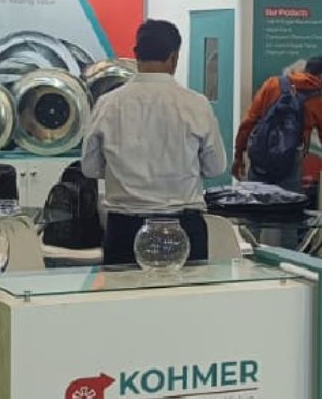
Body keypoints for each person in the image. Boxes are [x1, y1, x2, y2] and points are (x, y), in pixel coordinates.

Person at [82, 19, 227, 266]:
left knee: (123, 290)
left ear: (136, 54)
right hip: (183, 227)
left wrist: (124, 172)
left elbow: (89, 168)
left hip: (124, 228)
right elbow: (215, 167)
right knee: (187, 291)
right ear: (174, 57)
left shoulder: (108, 104)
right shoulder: (196, 104)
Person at [232, 57, 322, 190]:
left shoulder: (272, 84)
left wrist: (238, 156)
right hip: (289, 163)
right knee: (288, 201)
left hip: (260, 158)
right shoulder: (318, 103)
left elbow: (249, 122)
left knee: (256, 199)